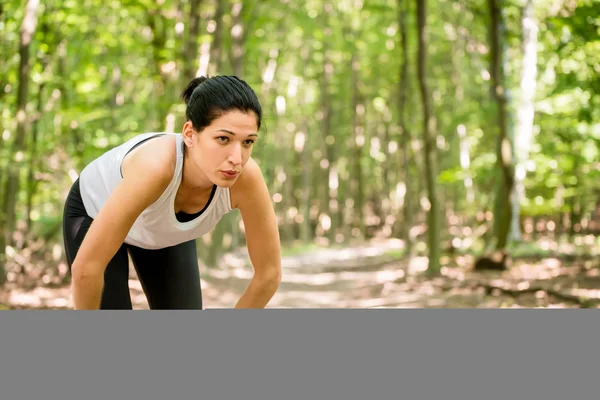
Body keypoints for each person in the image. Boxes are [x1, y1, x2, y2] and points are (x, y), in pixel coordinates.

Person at [62, 75, 282, 310]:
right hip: (94, 211)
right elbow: (86, 269)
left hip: (161, 230)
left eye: (248, 142)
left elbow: (268, 274)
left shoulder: (246, 179)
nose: (237, 159)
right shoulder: (155, 168)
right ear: (189, 134)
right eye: (223, 139)